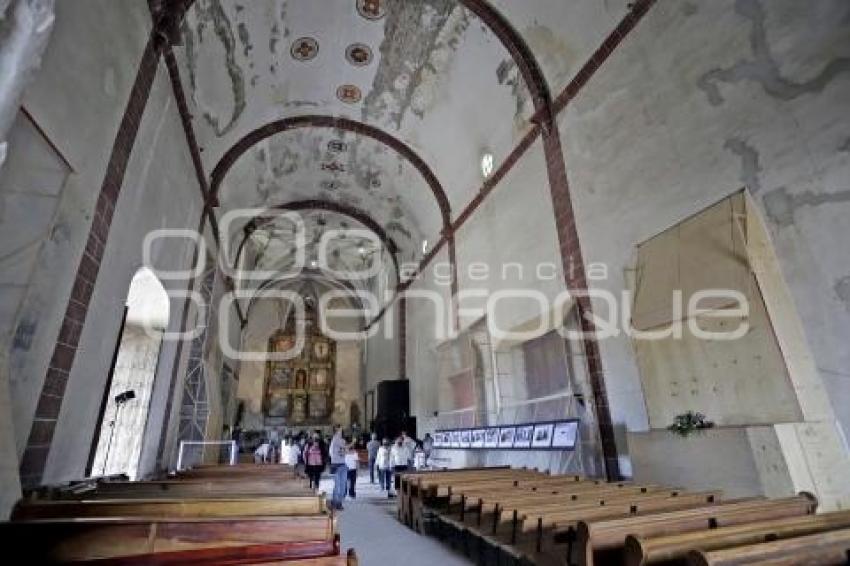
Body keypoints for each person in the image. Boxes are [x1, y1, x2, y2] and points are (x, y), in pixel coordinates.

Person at [328, 425, 347, 510]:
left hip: (342, 464)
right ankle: (334, 502)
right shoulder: (335, 440)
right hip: (336, 465)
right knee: (337, 486)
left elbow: (344, 451)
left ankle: (339, 502)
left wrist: (344, 450)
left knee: (342, 486)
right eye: (339, 430)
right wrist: (353, 443)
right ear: (336, 431)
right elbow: (344, 449)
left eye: (341, 430)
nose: (341, 432)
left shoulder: (342, 440)